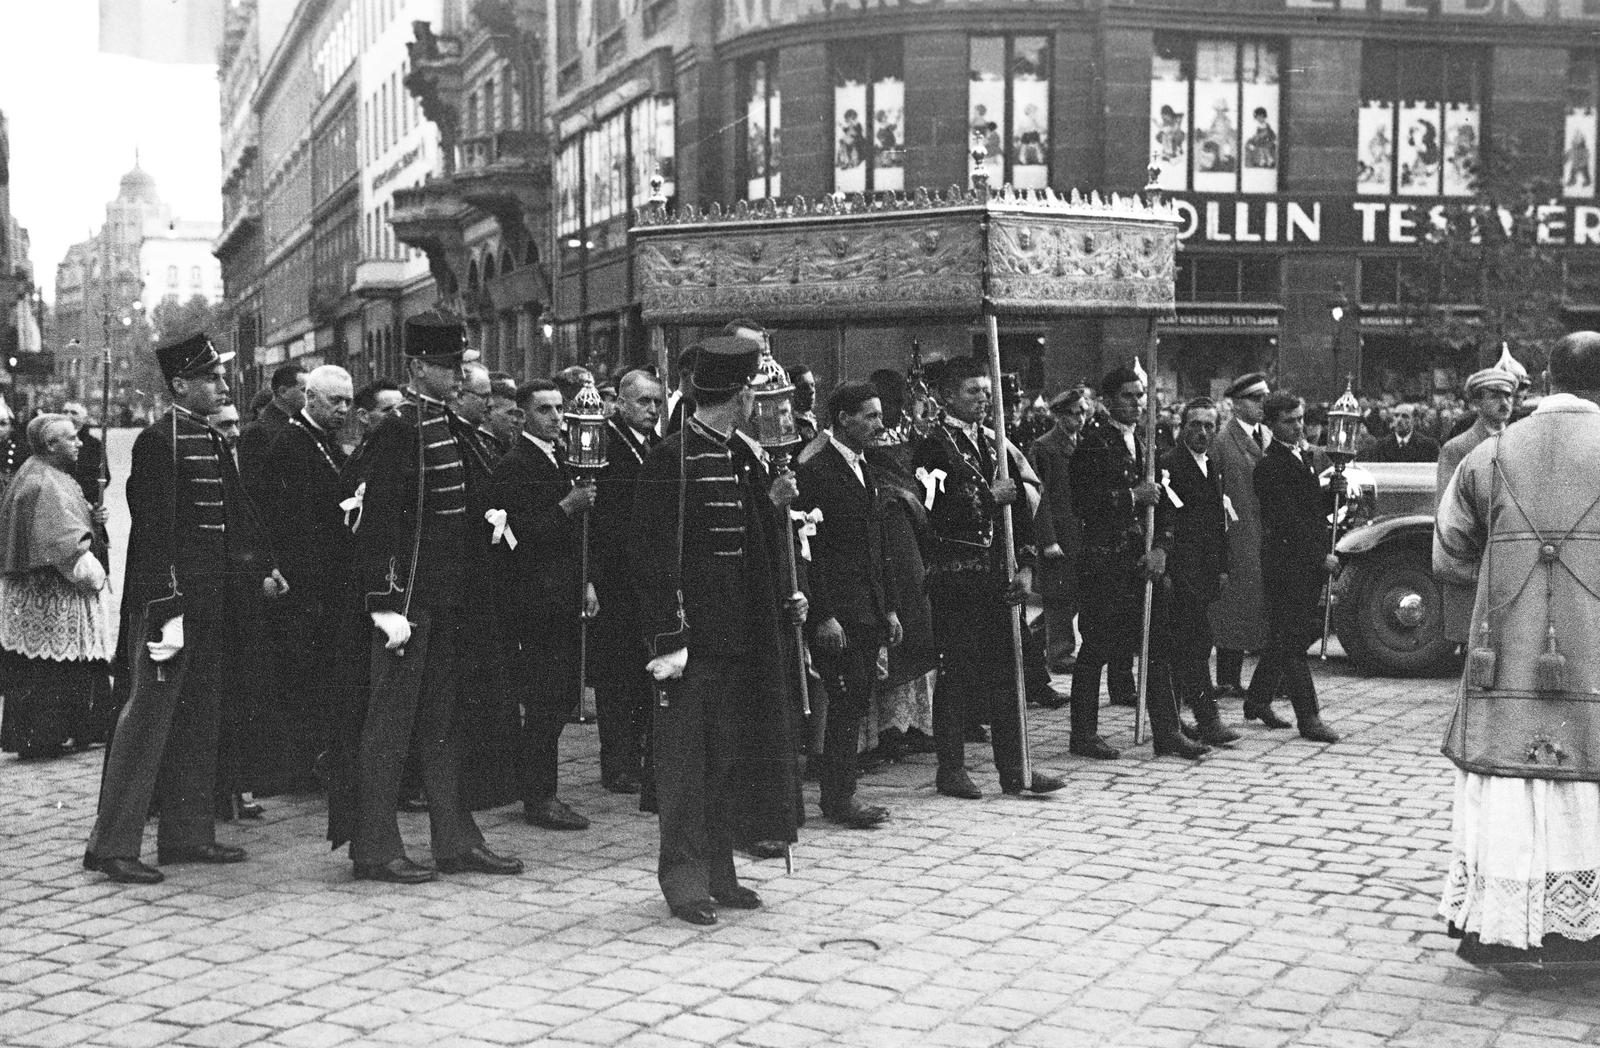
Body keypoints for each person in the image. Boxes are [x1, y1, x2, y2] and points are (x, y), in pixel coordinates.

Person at [85, 333, 287, 885]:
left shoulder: (209, 438)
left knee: (202, 718)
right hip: (170, 605)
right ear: (180, 385)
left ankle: (188, 834)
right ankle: (112, 845)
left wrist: (262, 562)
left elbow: (236, 516)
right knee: (146, 723)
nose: (222, 385)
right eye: (211, 378)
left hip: (214, 600)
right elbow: (154, 536)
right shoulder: (159, 441)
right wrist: (168, 610)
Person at [1434, 330, 1600, 973]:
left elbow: (1448, 551)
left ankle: (1503, 926)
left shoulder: (1491, 453)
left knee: (1513, 786)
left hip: (1505, 657)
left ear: (1549, 379)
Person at [337, 311, 523, 884]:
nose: (457, 374)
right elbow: (377, 524)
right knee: (389, 728)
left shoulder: (447, 425)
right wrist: (384, 602)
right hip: (408, 605)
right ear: (417, 367)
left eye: (459, 363)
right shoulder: (399, 428)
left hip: (447, 603)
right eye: (446, 365)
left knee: (446, 725)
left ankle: (455, 838)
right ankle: (373, 846)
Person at [630, 335, 804, 925]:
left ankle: (721, 873)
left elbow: (749, 546)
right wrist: (667, 640)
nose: (758, 398)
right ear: (736, 394)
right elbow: (650, 558)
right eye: (752, 388)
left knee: (728, 760)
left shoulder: (743, 455)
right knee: (684, 767)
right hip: (691, 643)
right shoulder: (670, 458)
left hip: (741, 638)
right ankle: (683, 881)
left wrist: (775, 510)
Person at [915, 357, 1066, 797]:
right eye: (972, 391)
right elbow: (928, 509)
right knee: (958, 670)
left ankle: (1015, 768)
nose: (983, 399)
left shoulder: (998, 442)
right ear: (946, 397)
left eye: (986, 391)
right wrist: (986, 494)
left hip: (999, 572)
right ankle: (951, 768)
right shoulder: (933, 446)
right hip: (957, 575)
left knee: (1009, 670)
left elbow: (1019, 509)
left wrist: (1023, 563)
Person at [1068, 367, 1208, 761]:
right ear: (1108, 400)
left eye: (1141, 395)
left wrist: (1162, 546)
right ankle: (1083, 733)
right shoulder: (1093, 444)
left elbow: (1164, 503)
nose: (1137, 403)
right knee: (1097, 648)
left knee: (1156, 647)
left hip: (1143, 563)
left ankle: (1167, 732)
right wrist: (1132, 496)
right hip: (1106, 563)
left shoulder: (1147, 443)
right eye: (1128, 396)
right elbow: (1084, 502)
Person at [485, 379, 597, 831]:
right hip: (535, 600)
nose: (556, 418)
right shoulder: (516, 464)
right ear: (525, 415)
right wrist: (566, 508)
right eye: (545, 410)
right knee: (545, 698)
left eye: (559, 409)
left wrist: (587, 581)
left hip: (564, 592)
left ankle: (542, 790)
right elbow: (515, 538)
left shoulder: (561, 459)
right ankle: (539, 796)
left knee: (560, 695)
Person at [795, 381, 899, 829]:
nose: (880, 424)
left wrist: (889, 609)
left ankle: (841, 793)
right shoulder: (816, 472)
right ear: (844, 420)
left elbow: (875, 545)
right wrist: (823, 615)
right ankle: (839, 799)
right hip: (838, 613)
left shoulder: (864, 467)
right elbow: (808, 553)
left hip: (866, 607)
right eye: (871, 416)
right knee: (843, 707)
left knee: (854, 704)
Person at [258, 365, 355, 794]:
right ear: (310, 398)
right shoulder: (292, 444)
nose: (344, 409)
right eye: (336, 401)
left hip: (326, 577)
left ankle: (317, 758)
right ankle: (303, 765)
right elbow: (293, 520)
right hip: (307, 580)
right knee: (305, 673)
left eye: (349, 402)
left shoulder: (321, 440)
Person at [0, 414, 114, 758]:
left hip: (43, 593)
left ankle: (58, 733)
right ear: (51, 445)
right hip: (52, 592)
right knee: (49, 670)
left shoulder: (40, 471)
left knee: (50, 667)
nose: (80, 444)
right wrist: (95, 574)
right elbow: (62, 545)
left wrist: (93, 520)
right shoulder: (43, 482)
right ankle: (44, 737)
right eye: (72, 438)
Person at [1243, 392, 1342, 744]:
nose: (1298, 425)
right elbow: (1288, 522)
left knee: (1288, 636)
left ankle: (1256, 699)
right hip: (1287, 565)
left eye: (1300, 418)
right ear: (1271, 424)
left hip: (1302, 563)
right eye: (1289, 420)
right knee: (1294, 640)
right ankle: (1309, 716)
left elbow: (1311, 509)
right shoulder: (1270, 466)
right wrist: (1320, 556)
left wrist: (1335, 493)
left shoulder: (1300, 458)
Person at [590, 368, 663, 795]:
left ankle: (638, 754)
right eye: (642, 402)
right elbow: (597, 522)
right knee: (616, 674)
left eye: (656, 402)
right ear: (619, 403)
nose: (651, 410)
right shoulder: (605, 444)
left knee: (642, 671)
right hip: (614, 575)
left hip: (645, 575)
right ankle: (616, 762)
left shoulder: (653, 444)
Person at [1159, 398, 1240, 747]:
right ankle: (1207, 720)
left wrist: (1222, 567)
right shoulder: (1169, 464)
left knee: (1191, 644)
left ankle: (1178, 719)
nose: (1202, 432)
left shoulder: (1212, 464)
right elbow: (1166, 520)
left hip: (1205, 570)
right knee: (1193, 645)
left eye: (1209, 426)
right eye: (1195, 425)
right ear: (1182, 427)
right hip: (1180, 569)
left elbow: (1217, 523)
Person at [1434, 368, 1518, 646]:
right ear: (1477, 403)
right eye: (1494, 396)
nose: (1504, 402)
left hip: (1513, 554)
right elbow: (1447, 514)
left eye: (1508, 395)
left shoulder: (1519, 444)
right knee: (1475, 647)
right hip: (1475, 558)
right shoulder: (1457, 448)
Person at [1210, 372, 1272, 700]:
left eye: (1264, 398)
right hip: (1237, 534)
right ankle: (1227, 678)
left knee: (1256, 606)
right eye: (1254, 398)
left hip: (1263, 533)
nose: (1262, 404)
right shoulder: (1223, 441)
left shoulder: (1267, 436)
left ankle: (1259, 680)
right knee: (1232, 607)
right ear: (1235, 404)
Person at [1029, 388, 1087, 674]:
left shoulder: (1085, 445)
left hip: (1079, 533)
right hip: (1059, 534)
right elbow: (1039, 498)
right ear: (1059, 416)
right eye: (1073, 414)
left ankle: (1036, 640)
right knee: (1060, 597)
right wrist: (1048, 540)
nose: (1079, 419)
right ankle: (1060, 654)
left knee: (1071, 595)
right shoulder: (1045, 447)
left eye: (1082, 413)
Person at [238, 363, 307, 505]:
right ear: (283, 392)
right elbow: (254, 489)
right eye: (304, 390)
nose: (310, 396)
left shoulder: (299, 425)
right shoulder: (258, 431)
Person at [1360, 402, 1440, 463]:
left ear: (1414, 420)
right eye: (1396, 416)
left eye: (1405, 416)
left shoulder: (1428, 446)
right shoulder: (1381, 446)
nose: (1399, 420)